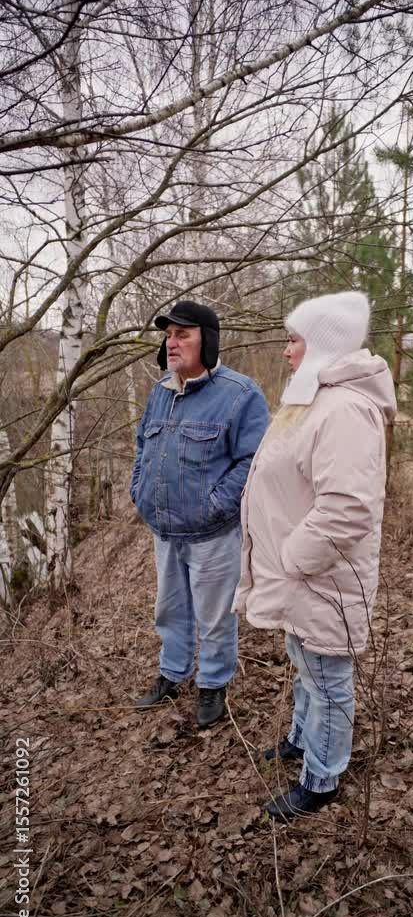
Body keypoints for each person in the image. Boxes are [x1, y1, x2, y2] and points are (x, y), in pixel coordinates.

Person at [233, 292, 396, 818]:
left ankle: (321, 779)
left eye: (295, 340)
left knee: (327, 679)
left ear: (323, 345)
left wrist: (293, 559)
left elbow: (348, 508)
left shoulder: (346, 409)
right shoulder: (316, 400)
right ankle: (303, 739)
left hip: (321, 577)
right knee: (307, 665)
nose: (286, 351)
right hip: (302, 575)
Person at [131, 300, 269, 727]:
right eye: (168, 335)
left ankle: (212, 683)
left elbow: (253, 461)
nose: (171, 343)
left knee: (214, 616)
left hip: (213, 534)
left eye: (182, 335)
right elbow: (143, 446)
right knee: (170, 610)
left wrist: (214, 505)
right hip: (165, 530)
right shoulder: (160, 392)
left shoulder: (240, 394)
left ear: (207, 340)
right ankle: (173, 672)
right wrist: (139, 491)